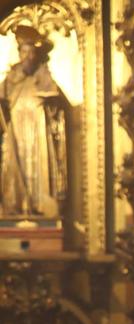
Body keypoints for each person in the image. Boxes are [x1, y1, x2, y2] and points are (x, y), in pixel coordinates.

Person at [0, 25, 67, 218]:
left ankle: (40, 205)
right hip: (17, 133)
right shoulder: (10, 80)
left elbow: (55, 104)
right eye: (24, 51)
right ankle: (17, 205)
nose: (28, 56)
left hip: (38, 133)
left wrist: (51, 104)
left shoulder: (44, 77)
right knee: (15, 165)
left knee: (40, 167)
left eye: (32, 52)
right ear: (19, 53)